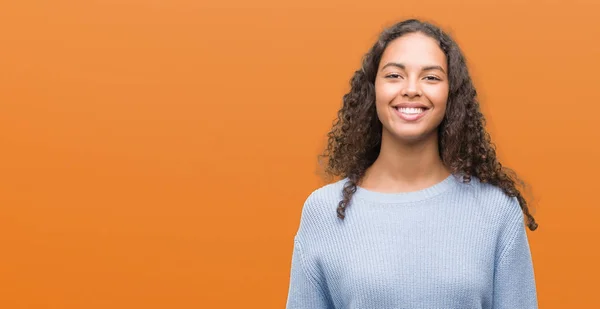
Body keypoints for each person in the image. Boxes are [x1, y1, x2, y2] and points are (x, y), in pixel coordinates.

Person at [286, 19, 539, 309]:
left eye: (431, 78)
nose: (411, 89)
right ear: (372, 90)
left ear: (451, 95)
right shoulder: (323, 211)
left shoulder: (496, 211)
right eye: (394, 75)